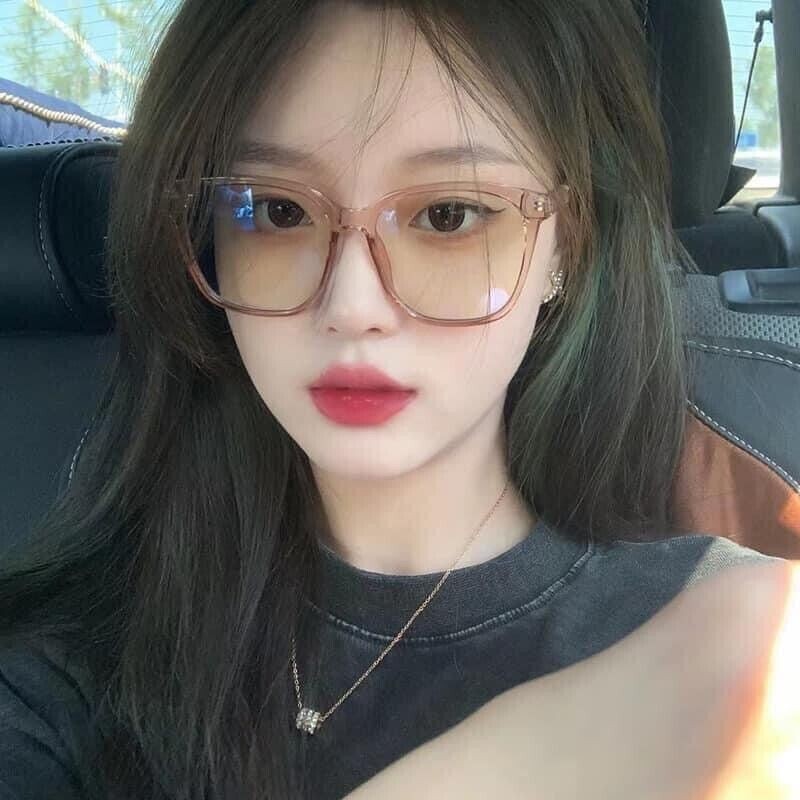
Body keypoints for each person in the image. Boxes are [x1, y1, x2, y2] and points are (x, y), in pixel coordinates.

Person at [0, 1, 793, 799]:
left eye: (448, 215)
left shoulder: (746, 647)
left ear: (568, 242)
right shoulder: (68, 672)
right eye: (277, 211)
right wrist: (534, 755)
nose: (351, 306)